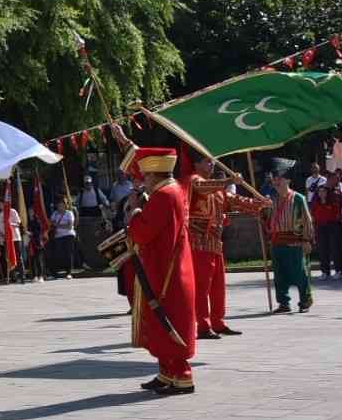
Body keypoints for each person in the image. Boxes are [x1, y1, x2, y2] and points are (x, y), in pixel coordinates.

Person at [116, 141, 197, 395]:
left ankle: (181, 375)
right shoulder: (171, 191)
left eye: (145, 176)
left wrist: (134, 211)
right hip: (165, 267)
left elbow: (143, 231)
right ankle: (166, 372)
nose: (143, 182)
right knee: (161, 322)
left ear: (154, 174)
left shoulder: (164, 195)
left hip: (167, 272)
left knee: (168, 319)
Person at [187, 157, 270, 338]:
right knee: (202, 287)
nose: (211, 165)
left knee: (218, 287)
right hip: (198, 243)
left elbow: (235, 200)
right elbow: (202, 187)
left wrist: (260, 203)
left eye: (212, 162)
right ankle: (202, 325)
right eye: (207, 162)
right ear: (196, 164)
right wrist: (229, 181)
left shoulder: (218, 190)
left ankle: (218, 322)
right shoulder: (194, 181)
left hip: (215, 243)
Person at [267, 161, 315, 314]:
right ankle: (283, 303)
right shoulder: (271, 200)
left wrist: (306, 240)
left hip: (295, 242)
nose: (276, 182)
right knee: (279, 275)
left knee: (300, 273)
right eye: (274, 179)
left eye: (279, 178)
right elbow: (266, 219)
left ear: (287, 180)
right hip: (277, 242)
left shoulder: (298, 198)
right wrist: (260, 210)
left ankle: (305, 300)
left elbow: (307, 220)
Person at [310, 171, 342, 279]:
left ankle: (339, 270)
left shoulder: (337, 191)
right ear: (330, 179)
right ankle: (325, 271)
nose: (338, 181)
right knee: (323, 247)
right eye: (336, 179)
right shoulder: (319, 190)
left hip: (335, 223)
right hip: (321, 223)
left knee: (337, 247)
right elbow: (313, 206)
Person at [0, 197, 24, 285]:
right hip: (5, 239)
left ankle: (22, 276)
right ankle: (12, 276)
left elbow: (18, 223)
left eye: (2, 203)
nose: (0, 205)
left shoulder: (13, 211)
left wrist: (10, 224)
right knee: (8, 258)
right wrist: (3, 235)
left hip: (15, 237)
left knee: (18, 257)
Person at [50, 197, 78, 277]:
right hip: (58, 236)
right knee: (58, 253)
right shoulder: (55, 213)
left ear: (65, 206)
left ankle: (69, 272)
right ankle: (57, 272)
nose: (60, 207)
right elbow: (51, 223)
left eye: (62, 205)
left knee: (68, 253)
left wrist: (58, 225)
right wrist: (61, 225)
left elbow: (69, 226)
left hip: (69, 235)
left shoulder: (69, 213)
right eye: (59, 205)